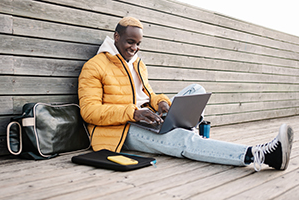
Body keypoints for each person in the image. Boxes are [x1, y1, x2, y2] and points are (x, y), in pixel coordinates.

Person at [78, 17, 294, 172]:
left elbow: (147, 94)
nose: (135, 48)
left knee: (196, 89)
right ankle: (261, 155)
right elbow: (90, 112)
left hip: (147, 118)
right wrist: (133, 113)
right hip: (121, 130)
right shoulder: (94, 66)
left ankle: (178, 125)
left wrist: (161, 103)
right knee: (184, 140)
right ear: (116, 37)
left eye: (138, 44)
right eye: (130, 42)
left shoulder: (137, 64)